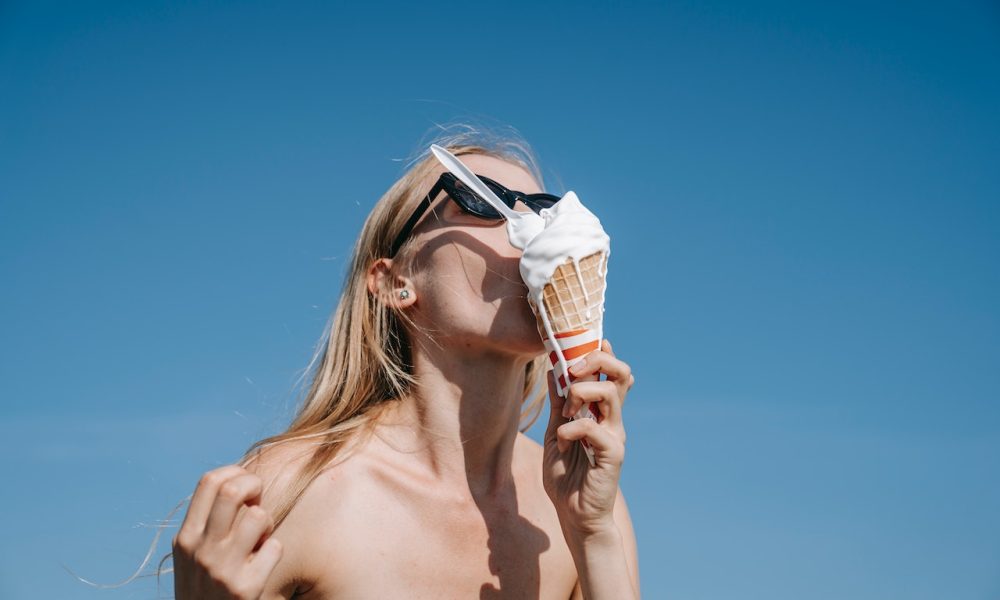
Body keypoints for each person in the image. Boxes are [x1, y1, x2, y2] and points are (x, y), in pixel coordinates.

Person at [169, 127, 639, 599]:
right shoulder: (288, 488)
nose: (528, 228)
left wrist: (593, 536)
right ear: (396, 282)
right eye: (482, 201)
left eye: (541, 210)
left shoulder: (589, 501)